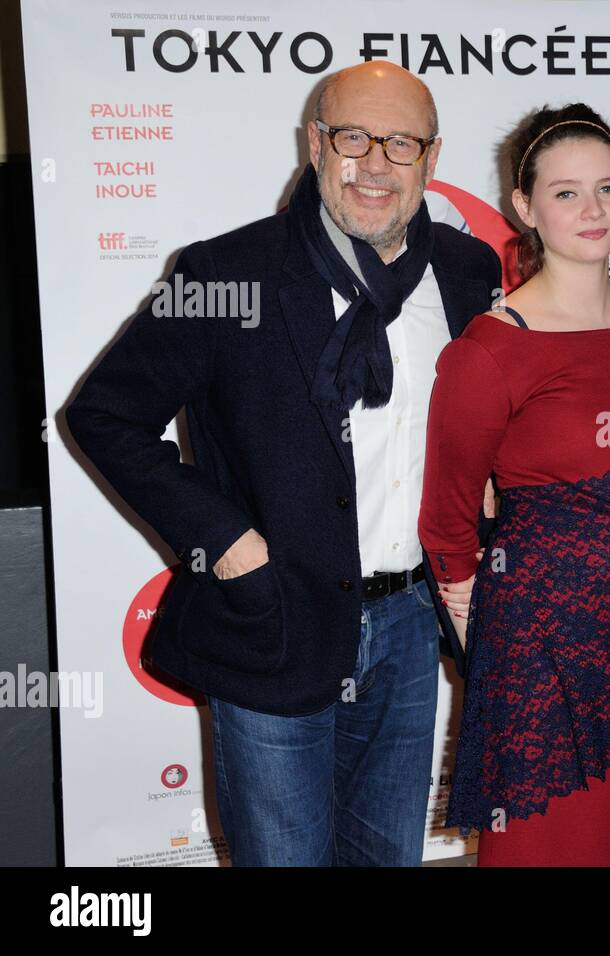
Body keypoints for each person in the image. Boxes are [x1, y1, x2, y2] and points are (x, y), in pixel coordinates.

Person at [66, 62, 502, 866]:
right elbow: (103, 416)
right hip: (274, 620)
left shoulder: (467, 273)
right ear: (314, 144)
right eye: (352, 138)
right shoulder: (225, 274)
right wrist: (227, 542)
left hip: (410, 624)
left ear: (432, 160)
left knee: (387, 858)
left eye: (400, 143)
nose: (375, 163)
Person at [418, 103, 610, 867]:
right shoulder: (489, 349)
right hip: (550, 657)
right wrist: (477, 623)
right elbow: (447, 520)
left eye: (609, 188)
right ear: (523, 206)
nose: (593, 210)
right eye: (565, 192)